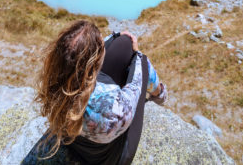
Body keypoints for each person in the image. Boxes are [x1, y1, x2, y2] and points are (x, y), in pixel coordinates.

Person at [27, 20, 168, 164]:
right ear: (93, 63)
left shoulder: (55, 82)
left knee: (124, 42)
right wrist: (137, 56)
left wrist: (115, 37)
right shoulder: (113, 109)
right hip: (109, 156)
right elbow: (135, 85)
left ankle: (157, 89)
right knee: (142, 62)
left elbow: (81, 53)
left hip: (74, 142)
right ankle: (160, 94)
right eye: (102, 46)